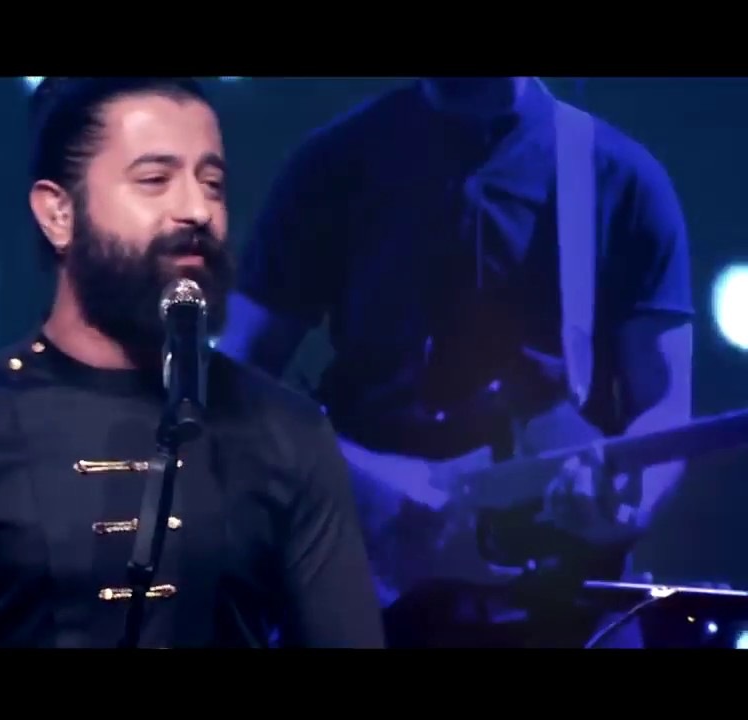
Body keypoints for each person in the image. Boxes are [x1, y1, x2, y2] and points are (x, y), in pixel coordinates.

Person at [0, 77, 385, 649]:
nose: (197, 209)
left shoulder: (288, 434)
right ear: (59, 214)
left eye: (212, 184)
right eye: (154, 180)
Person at [219, 77, 694, 648]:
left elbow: (665, 409)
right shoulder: (332, 165)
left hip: (566, 603)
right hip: (367, 595)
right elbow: (233, 382)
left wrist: (628, 506)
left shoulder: (621, 176)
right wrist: (361, 487)